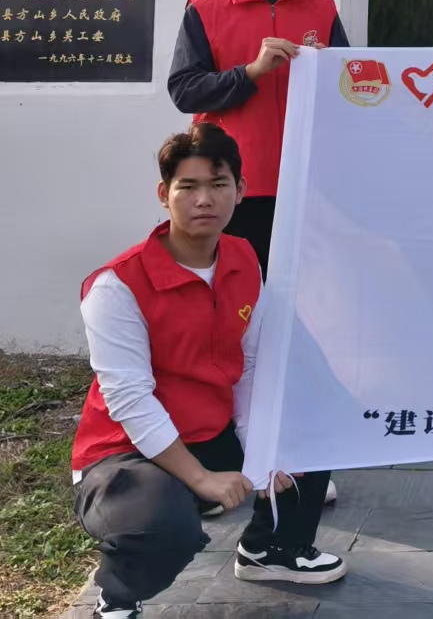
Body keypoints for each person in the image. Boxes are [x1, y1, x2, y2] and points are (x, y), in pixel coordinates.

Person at [71, 123, 344, 617]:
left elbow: (252, 363)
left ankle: (271, 548)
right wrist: (201, 479)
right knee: (164, 526)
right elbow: (130, 399)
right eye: (188, 186)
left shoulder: (243, 257)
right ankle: (117, 598)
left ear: (240, 191)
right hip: (125, 452)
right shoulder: (117, 285)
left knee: (306, 422)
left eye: (219, 185)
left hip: (209, 430)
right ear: (164, 194)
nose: (204, 200)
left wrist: (260, 449)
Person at [168, 0, 348, 276]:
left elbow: (347, 91)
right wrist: (250, 73)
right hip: (231, 183)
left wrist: (336, 75)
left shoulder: (322, 10)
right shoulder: (205, 9)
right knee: (235, 291)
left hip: (309, 182)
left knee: (309, 292)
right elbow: (185, 90)